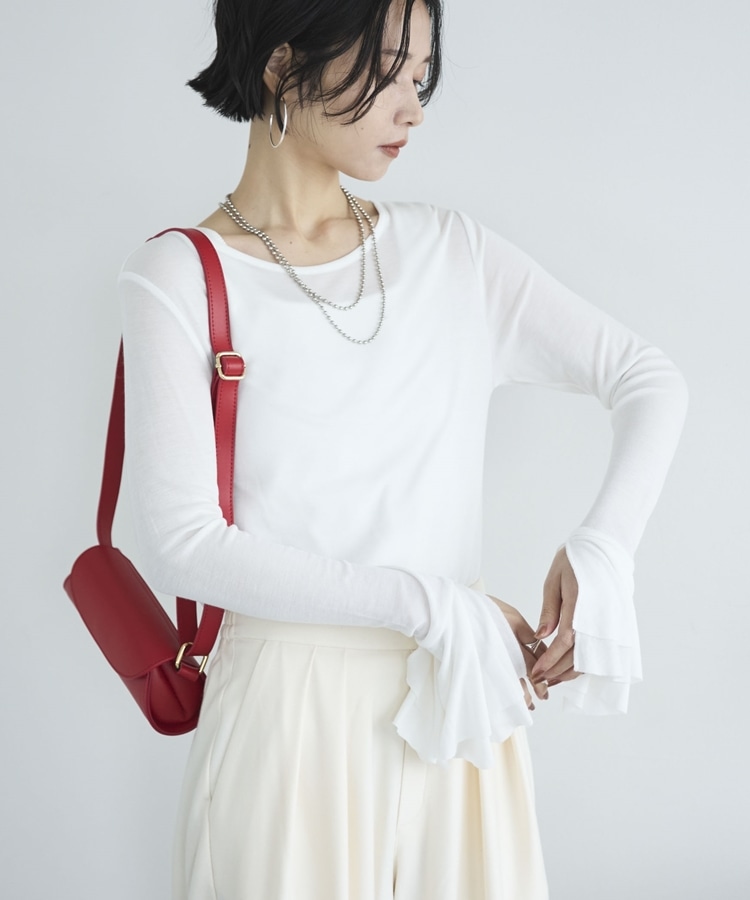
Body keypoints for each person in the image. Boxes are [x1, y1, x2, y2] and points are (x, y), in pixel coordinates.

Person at [117, 0, 688, 897]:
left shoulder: (452, 253)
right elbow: (186, 544)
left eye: (421, 76)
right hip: (287, 720)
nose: (414, 107)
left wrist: (603, 548)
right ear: (281, 67)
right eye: (387, 70)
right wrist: (429, 606)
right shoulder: (182, 276)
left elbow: (647, 377)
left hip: (460, 706)